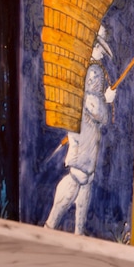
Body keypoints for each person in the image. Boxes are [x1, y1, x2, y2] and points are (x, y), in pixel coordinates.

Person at [46, 25, 118, 234]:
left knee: (87, 179)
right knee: (79, 175)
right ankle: (49, 225)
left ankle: (79, 232)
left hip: (84, 128)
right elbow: (94, 106)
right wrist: (106, 101)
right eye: (101, 47)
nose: (103, 51)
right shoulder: (93, 69)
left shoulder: (88, 66)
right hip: (84, 126)